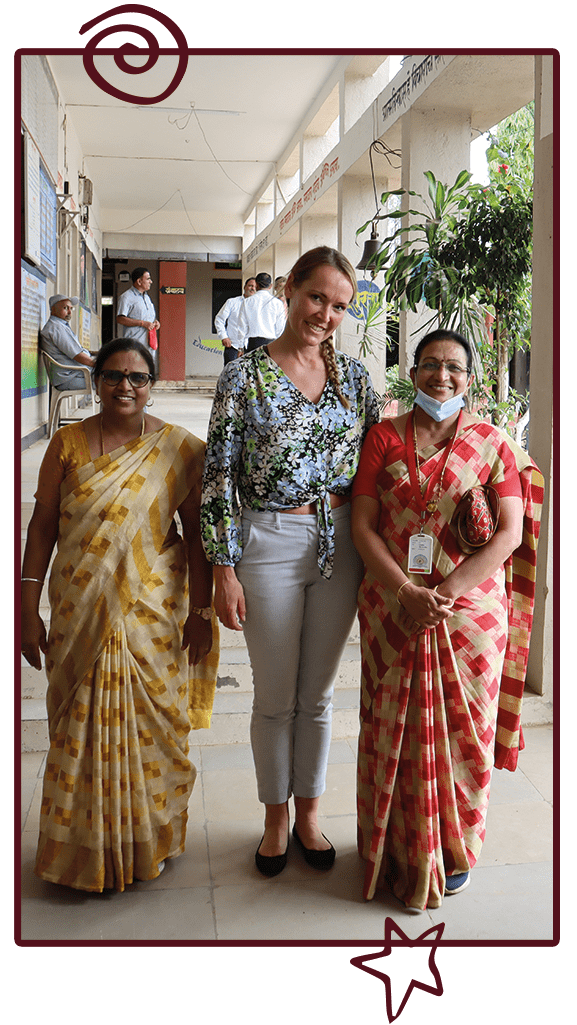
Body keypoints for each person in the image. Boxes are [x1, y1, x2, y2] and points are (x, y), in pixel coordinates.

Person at [201, 246, 380, 876]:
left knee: (321, 694)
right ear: (289, 292)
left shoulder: (356, 381)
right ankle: (274, 818)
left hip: (339, 548)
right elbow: (218, 473)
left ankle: (309, 813)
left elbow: (378, 470)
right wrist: (223, 567)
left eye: (339, 306)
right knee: (275, 696)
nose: (326, 314)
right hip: (269, 542)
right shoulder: (245, 376)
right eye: (316, 297)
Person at [350, 329, 543, 911]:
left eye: (454, 367)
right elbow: (363, 525)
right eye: (430, 365)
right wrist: (408, 591)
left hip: (469, 619)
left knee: (465, 734)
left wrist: (445, 592)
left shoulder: (492, 444)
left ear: (471, 376)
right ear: (413, 372)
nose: (442, 377)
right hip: (391, 605)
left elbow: (510, 531)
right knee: (390, 728)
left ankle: (455, 850)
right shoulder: (383, 437)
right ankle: (395, 847)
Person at [21, 338, 219, 892]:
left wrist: (201, 612)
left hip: (152, 611)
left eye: (137, 377)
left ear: (151, 384)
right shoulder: (67, 443)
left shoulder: (179, 449)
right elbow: (42, 527)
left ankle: (147, 839)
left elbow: (198, 540)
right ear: (96, 380)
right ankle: (78, 851)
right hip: (78, 605)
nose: (124, 386)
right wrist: (25, 604)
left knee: (153, 722)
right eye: (113, 376)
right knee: (79, 722)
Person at [40, 294, 95, 389]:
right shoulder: (56, 327)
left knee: (111, 377)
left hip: (75, 373)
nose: (69, 312)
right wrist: (101, 365)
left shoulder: (61, 325)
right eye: (65, 308)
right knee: (109, 382)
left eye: (71, 308)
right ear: (53, 309)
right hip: (68, 377)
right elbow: (78, 356)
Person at [116, 267, 160, 370]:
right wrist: (142, 323)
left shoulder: (147, 298)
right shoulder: (126, 297)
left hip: (149, 344)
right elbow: (120, 319)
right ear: (139, 281)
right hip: (134, 344)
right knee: (134, 370)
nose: (151, 281)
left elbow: (149, 318)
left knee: (147, 371)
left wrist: (156, 323)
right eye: (148, 279)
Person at [236, 271, 286, 352]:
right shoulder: (278, 303)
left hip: (253, 343)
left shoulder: (247, 302)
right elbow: (280, 328)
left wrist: (240, 347)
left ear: (256, 285)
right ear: (271, 286)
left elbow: (242, 326)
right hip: (271, 343)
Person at [215, 277, 257, 364]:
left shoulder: (259, 306)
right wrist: (224, 336)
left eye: (255, 287)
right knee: (230, 374)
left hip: (251, 347)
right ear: (245, 287)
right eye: (250, 285)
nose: (253, 288)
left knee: (250, 376)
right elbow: (219, 319)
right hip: (233, 345)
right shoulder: (232, 302)